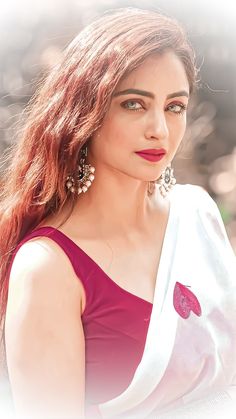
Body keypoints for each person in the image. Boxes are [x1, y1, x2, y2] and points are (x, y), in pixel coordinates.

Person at [0, 6, 235, 419]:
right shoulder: (48, 268)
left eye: (174, 106)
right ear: (83, 112)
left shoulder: (196, 215)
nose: (159, 129)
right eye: (133, 104)